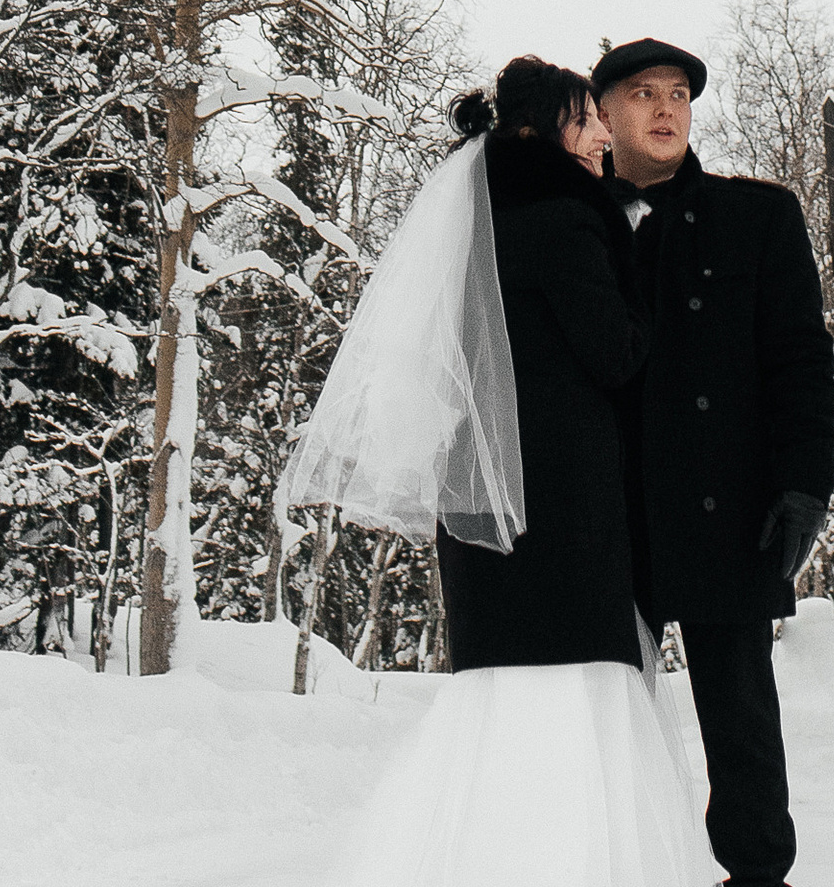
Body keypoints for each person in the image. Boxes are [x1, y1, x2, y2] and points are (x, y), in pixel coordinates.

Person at [288, 54, 714, 887]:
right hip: (567, 516)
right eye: (588, 118)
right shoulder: (566, 218)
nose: (600, 135)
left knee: (498, 710)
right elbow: (617, 352)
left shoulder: (477, 223)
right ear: (551, 127)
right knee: (579, 702)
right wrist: (651, 293)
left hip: (483, 510)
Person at [592, 38, 834, 887]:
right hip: (607, 515)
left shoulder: (758, 215)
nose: (665, 109)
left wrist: (806, 482)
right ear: (605, 114)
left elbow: (801, 359)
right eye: (641, 93)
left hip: (725, 509)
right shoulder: (571, 221)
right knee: (604, 716)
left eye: (677, 94)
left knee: (740, 720)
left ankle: (759, 875)